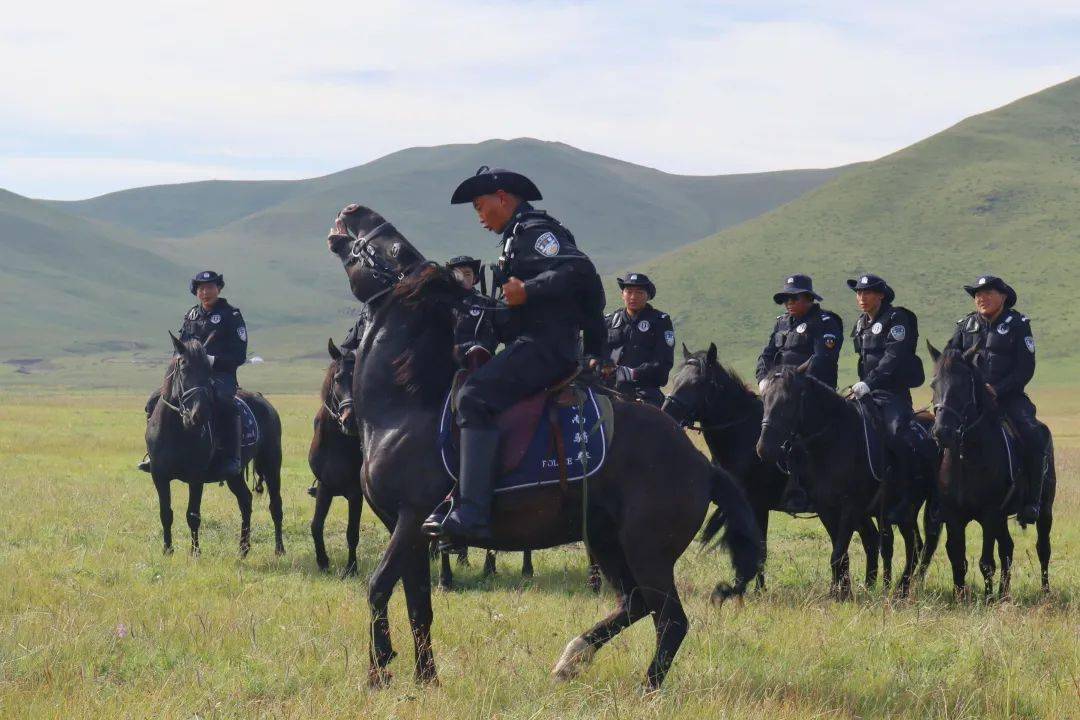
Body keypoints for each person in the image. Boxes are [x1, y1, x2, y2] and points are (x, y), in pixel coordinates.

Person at [422, 166, 606, 541]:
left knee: (473, 397)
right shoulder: (514, 237)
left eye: (480, 207)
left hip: (546, 348)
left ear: (502, 198)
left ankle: (472, 514)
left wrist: (530, 290)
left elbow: (581, 272)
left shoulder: (535, 231)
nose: (479, 217)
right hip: (532, 344)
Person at [946, 275, 1046, 524]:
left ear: (1003, 297)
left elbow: (1025, 367)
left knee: (1034, 435)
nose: (981, 298)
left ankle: (1031, 501)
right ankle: (940, 499)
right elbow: (950, 360)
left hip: (1007, 398)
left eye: (988, 293)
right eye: (977, 294)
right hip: (971, 401)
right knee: (940, 433)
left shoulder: (1018, 324)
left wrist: (997, 390)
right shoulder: (965, 326)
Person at [138, 270, 248, 476]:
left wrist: (212, 360)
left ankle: (231, 456)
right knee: (154, 400)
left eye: (210, 287)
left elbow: (239, 354)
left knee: (225, 402)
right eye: (201, 289)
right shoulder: (191, 315)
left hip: (220, 375)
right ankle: (155, 453)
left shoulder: (231, 315)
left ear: (219, 288)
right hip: (189, 376)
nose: (205, 292)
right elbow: (180, 348)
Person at [848, 274, 934, 522]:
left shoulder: (897, 319)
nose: (861, 297)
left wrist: (869, 382)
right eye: (859, 293)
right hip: (865, 392)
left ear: (881, 295)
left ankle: (906, 493)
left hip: (892, 394)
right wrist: (862, 386)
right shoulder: (860, 323)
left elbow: (893, 358)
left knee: (898, 435)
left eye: (867, 292)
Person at [754, 273, 844, 512]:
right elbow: (766, 355)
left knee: (801, 439)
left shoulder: (825, 322)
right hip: (781, 395)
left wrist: (789, 383)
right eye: (786, 299)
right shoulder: (781, 323)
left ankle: (804, 490)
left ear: (809, 298)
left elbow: (822, 360)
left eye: (794, 299)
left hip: (812, 396)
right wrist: (764, 380)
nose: (789, 304)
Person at [603, 272, 675, 406]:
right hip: (608, 390)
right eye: (628, 292)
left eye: (639, 293)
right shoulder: (609, 321)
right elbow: (594, 352)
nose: (633, 297)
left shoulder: (660, 321)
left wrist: (631, 373)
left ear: (648, 296)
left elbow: (663, 361)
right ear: (622, 294)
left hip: (645, 392)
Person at [447, 255, 498, 369]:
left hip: (474, 366)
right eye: (457, 274)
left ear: (475, 278)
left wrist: (460, 349)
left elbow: (490, 341)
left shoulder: (486, 304)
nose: (462, 278)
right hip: (444, 364)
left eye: (467, 274)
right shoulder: (441, 302)